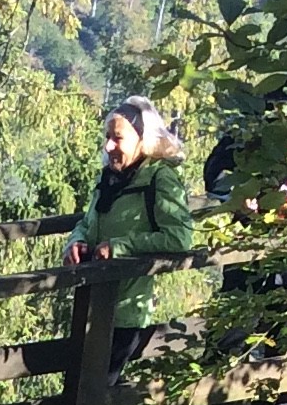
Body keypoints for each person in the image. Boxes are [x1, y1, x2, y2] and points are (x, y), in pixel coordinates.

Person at [65, 95, 199, 377]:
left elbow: (180, 238)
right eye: (106, 137)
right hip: (90, 304)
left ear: (143, 140)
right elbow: (88, 223)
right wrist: (75, 241)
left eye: (117, 138)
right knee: (81, 388)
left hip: (126, 312)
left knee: (96, 390)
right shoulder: (109, 177)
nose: (108, 146)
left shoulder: (160, 178)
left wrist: (120, 247)